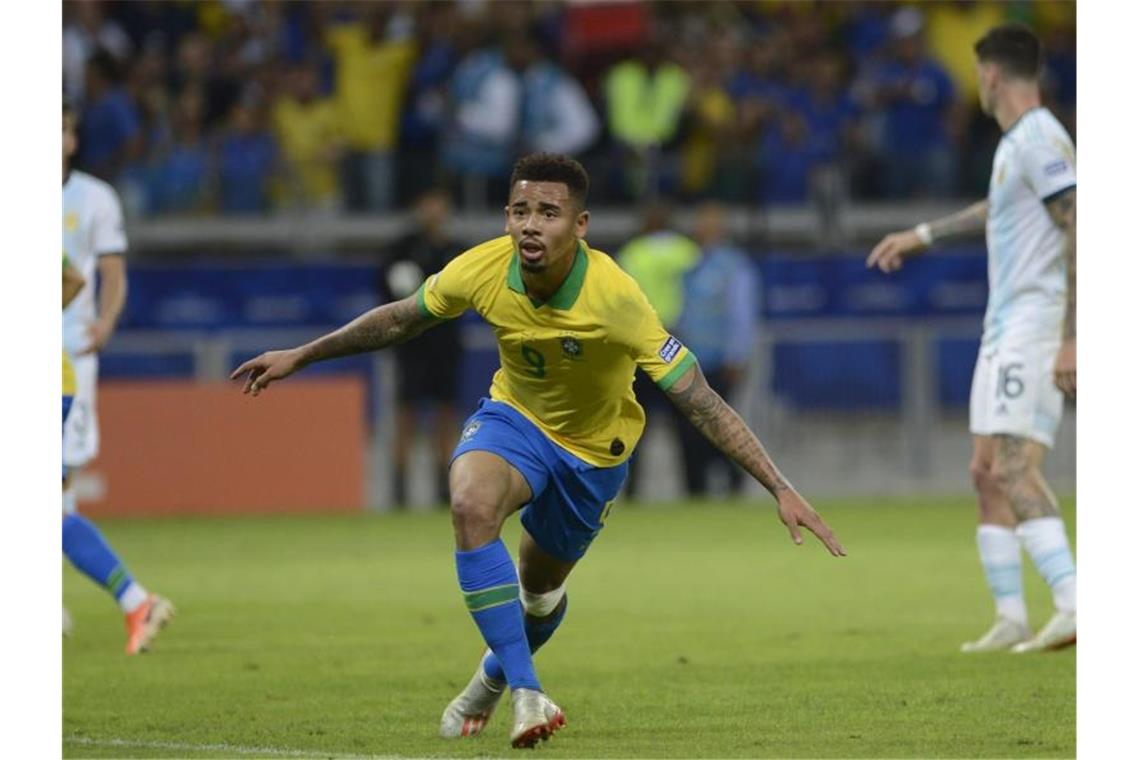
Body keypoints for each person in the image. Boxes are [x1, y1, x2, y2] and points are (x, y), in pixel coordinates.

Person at [232, 153, 845, 748]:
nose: (531, 224)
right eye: (520, 210)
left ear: (579, 226)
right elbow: (399, 319)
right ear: (505, 216)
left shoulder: (615, 297)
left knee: (540, 592)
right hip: (515, 421)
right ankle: (528, 689)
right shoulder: (481, 267)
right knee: (472, 505)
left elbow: (701, 400)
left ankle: (492, 679)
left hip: (594, 454)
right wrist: (301, 355)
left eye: (548, 212)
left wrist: (780, 486)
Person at [866, 24, 1076, 654]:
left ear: (989, 74)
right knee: (985, 471)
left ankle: (1075, 601)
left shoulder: (1041, 137)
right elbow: (998, 209)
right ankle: (1011, 616)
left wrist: (1073, 337)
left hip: (1037, 323)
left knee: (1013, 465)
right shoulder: (1018, 144)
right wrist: (923, 234)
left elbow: (1082, 226)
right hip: (1003, 323)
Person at [63, 98, 174, 654]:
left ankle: (136, 600)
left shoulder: (93, 198)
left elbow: (76, 280)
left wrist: (104, 324)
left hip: (64, 364)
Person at [376, 189, 463, 507]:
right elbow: (385, 293)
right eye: (428, 202)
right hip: (411, 344)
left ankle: (444, 488)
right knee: (407, 414)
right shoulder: (401, 248)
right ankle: (399, 490)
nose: (434, 209)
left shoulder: (456, 251)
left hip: (445, 344)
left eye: (439, 202)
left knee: (446, 413)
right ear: (418, 207)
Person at [672, 202, 758, 497]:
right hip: (690, 361)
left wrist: (736, 355)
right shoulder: (691, 264)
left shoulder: (734, 265)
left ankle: (736, 481)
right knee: (690, 431)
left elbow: (741, 313)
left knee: (717, 429)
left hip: (719, 361)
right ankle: (696, 490)